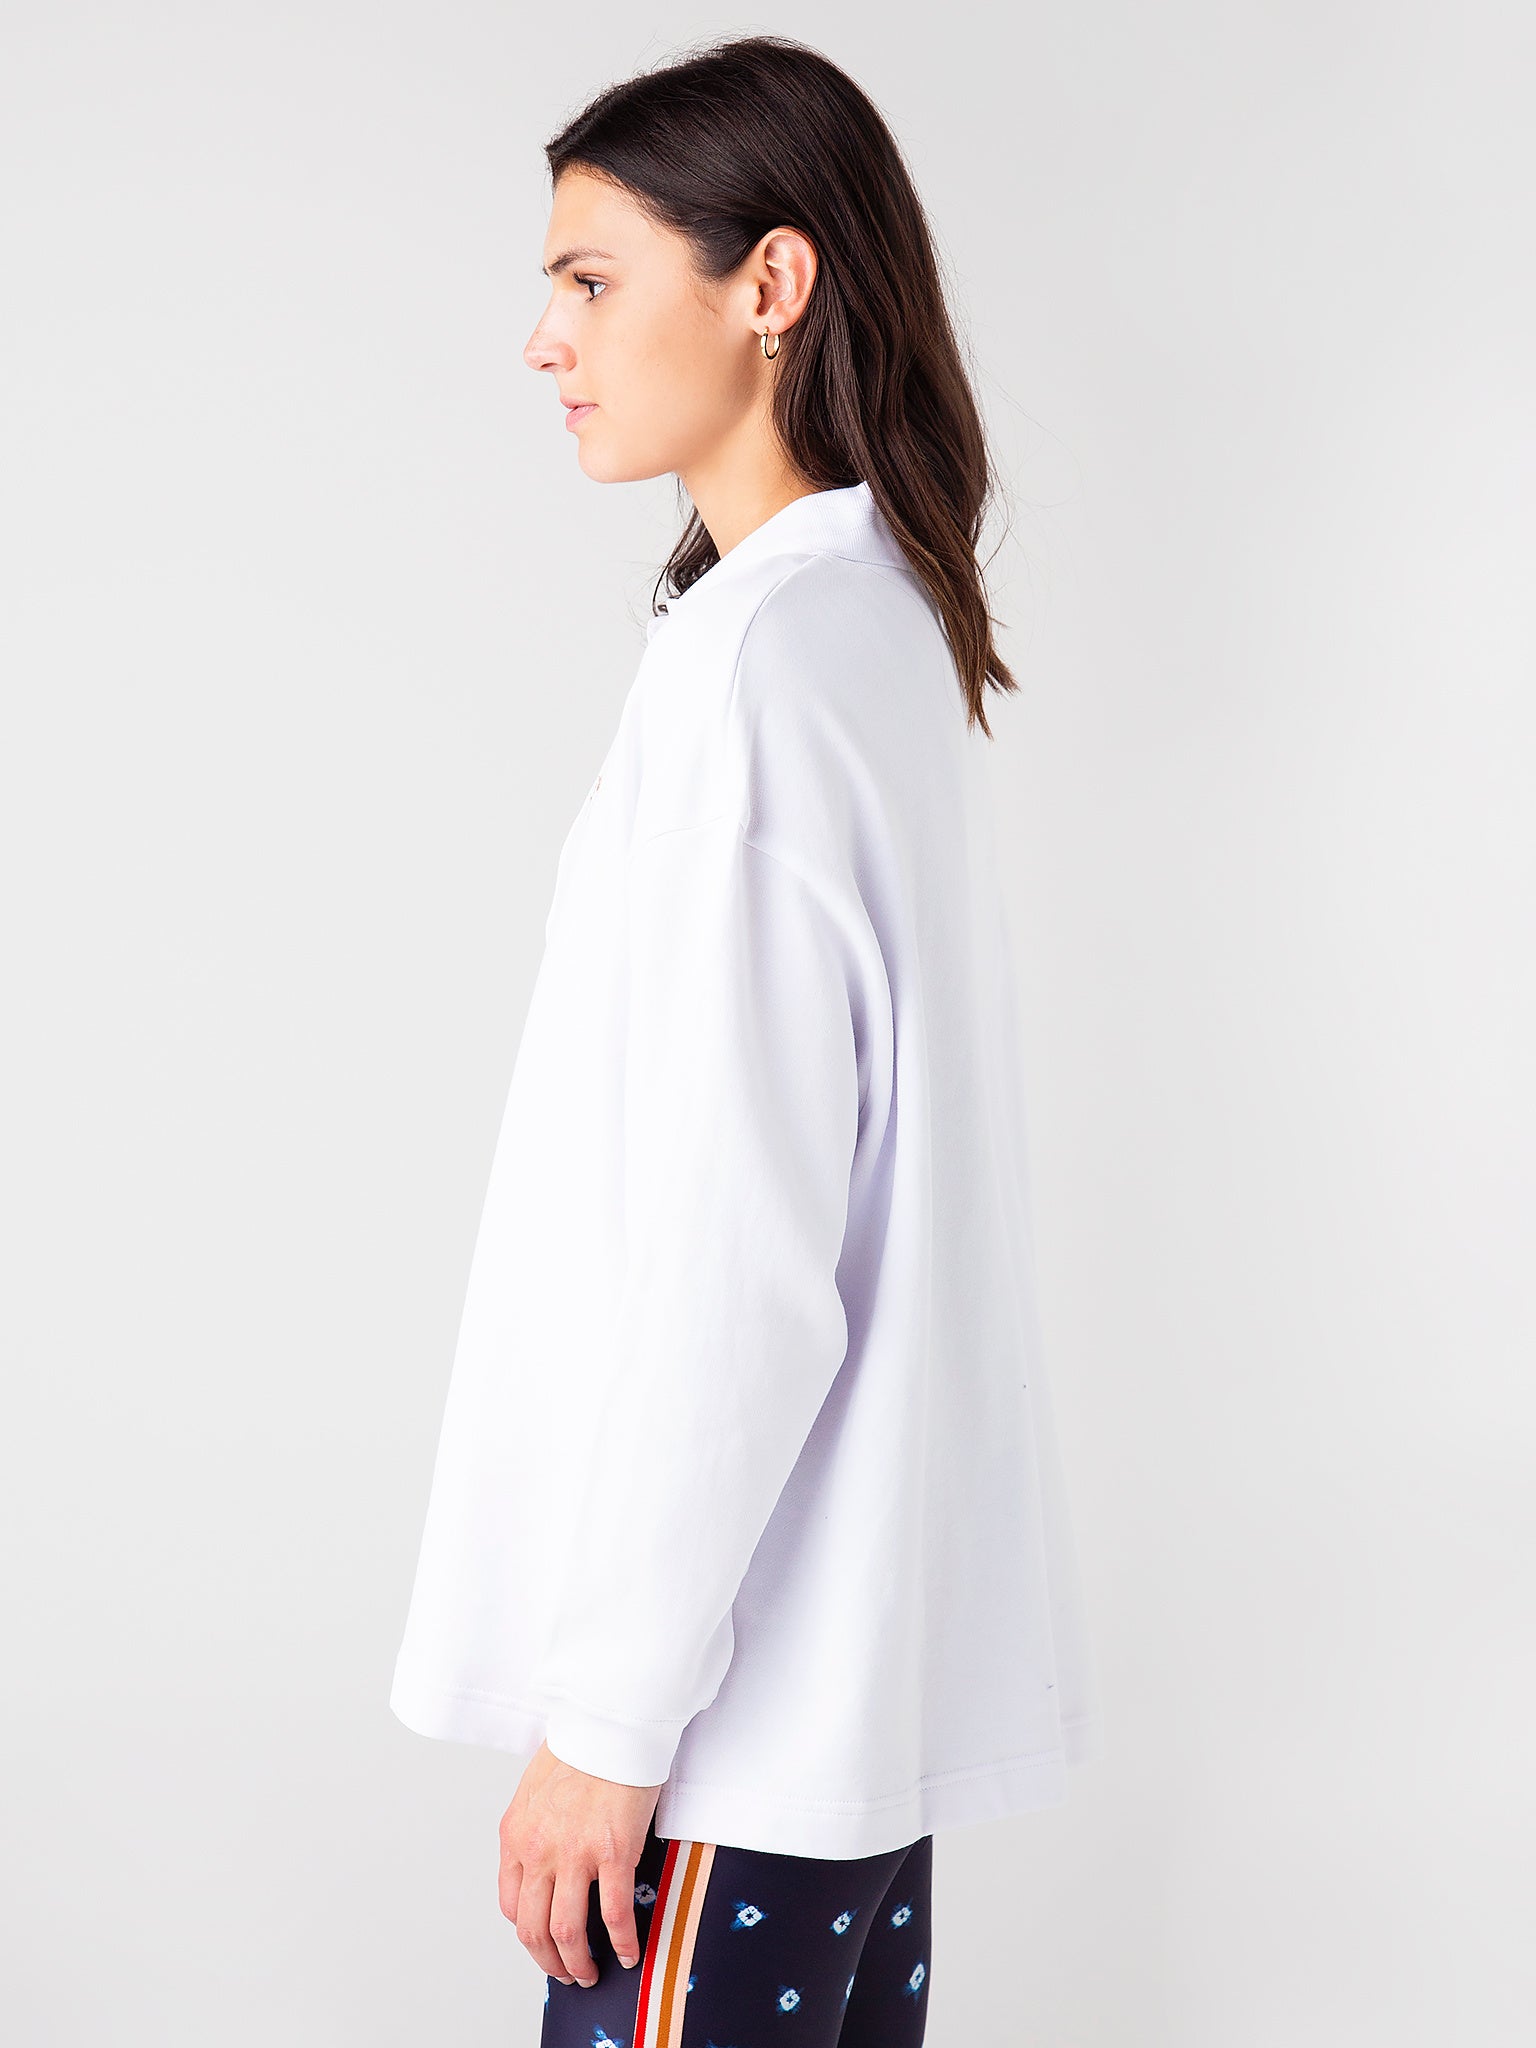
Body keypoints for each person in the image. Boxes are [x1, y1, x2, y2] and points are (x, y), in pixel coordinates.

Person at [389, 34, 1103, 2046]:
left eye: (590, 278)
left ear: (770, 282)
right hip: (836, 1726)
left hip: (727, 1733)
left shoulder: (757, 670)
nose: (545, 339)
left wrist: (608, 1727)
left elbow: (740, 1254)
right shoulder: (877, 630)